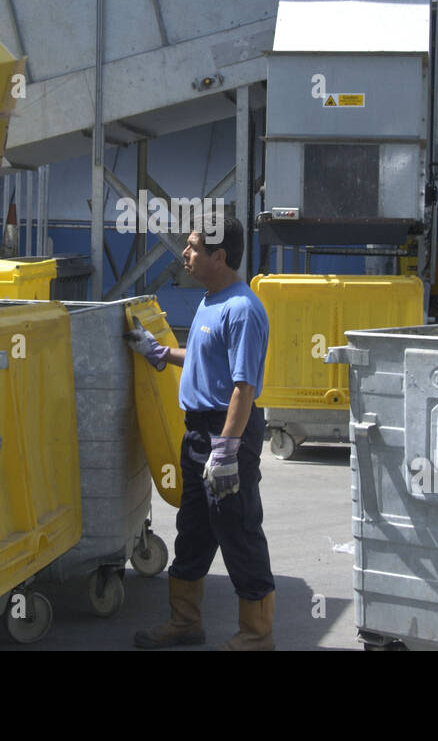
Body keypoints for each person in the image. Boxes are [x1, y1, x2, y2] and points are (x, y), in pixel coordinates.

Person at [125, 215, 275, 650]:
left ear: (219, 256)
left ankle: (256, 634)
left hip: (227, 434)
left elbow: (244, 387)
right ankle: (186, 622)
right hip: (198, 436)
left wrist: (226, 450)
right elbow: (204, 356)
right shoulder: (212, 300)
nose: (184, 255)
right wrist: (159, 353)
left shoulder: (243, 308)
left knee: (240, 531)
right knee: (192, 530)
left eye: (192, 247)